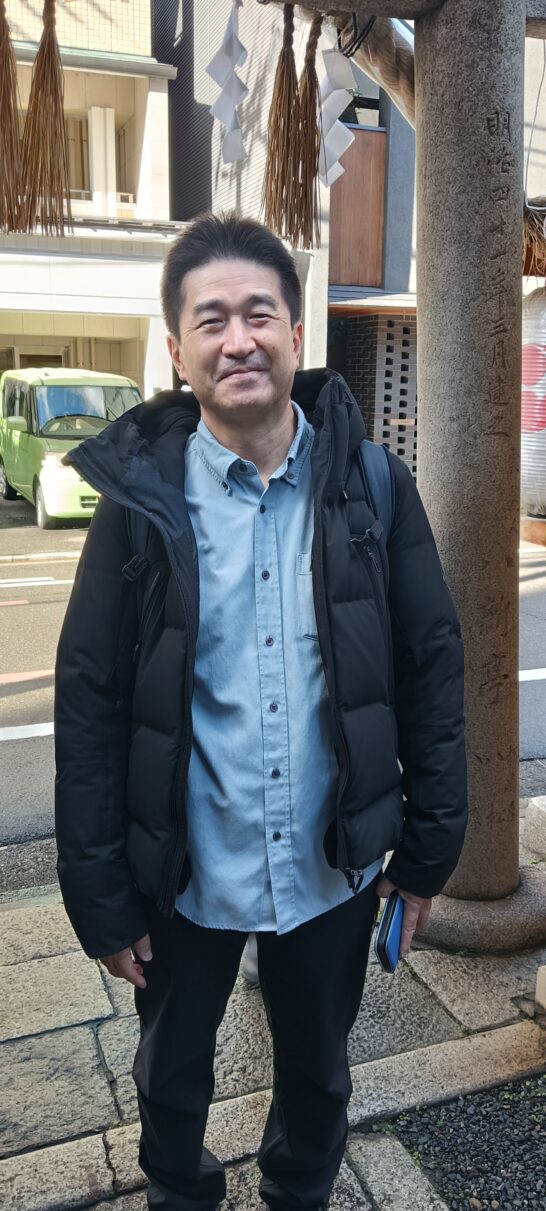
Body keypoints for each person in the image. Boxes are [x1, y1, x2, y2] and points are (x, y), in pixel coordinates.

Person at [55, 212, 468, 1211]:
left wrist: (427, 850)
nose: (237, 339)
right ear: (177, 348)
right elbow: (91, 699)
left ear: (294, 331)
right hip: (182, 873)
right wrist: (100, 892)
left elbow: (430, 669)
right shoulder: (140, 507)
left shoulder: (372, 487)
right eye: (211, 320)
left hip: (330, 864)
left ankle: (299, 1192)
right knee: (169, 1077)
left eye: (258, 313)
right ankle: (180, 1193)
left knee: (320, 1074)